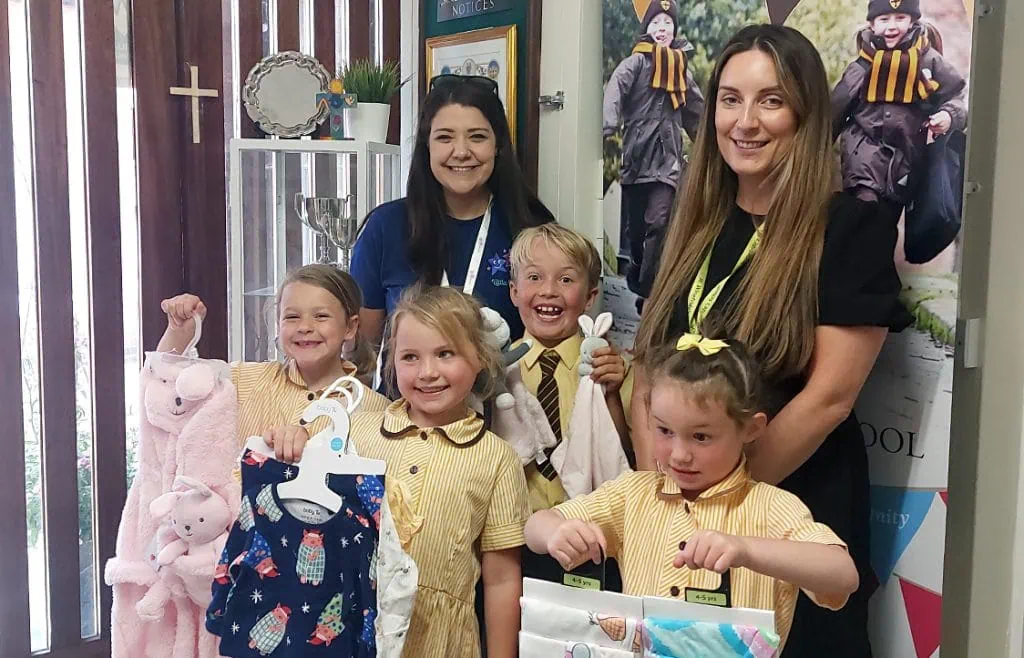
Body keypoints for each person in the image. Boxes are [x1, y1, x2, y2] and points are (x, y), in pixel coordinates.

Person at [630, 25, 910, 657]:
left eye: (771, 101)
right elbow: (651, 364)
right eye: (730, 99)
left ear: (805, 116)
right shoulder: (694, 219)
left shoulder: (848, 231)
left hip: (792, 509)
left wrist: (721, 496)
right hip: (686, 512)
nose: (745, 121)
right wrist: (669, 488)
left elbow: (828, 399)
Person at [525, 336, 859, 651]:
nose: (679, 454)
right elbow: (535, 527)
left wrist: (746, 549)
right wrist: (556, 531)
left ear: (751, 429)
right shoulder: (633, 494)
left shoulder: (772, 507)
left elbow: (842, 574)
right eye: (664, 431)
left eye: (701, 437)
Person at [347, 285, 530, 658]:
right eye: (410, 357)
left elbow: (501, 580)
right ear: (392, 362)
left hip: (441, 643)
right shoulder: (357, 432)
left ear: (480, 358)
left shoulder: (496, 458)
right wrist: (292, 436)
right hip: (353, 628)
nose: (428, 372)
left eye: (445, 354)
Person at [351, 73, 554, 377]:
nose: (461, 151)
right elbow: (362, 355)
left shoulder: (532, 228)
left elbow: (556, 339)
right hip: (404, 416)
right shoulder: (385, 227)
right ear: (427, 146)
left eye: (477, 137)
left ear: (498, 144)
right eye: (445, 137)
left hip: (505, 414)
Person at [505, 223, 632, 588]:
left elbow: (625, 456)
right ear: (514, 292)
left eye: (565, 280)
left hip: (592, 542)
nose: (548, 291)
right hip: (514, 543)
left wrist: (611, 394)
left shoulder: (616, 370)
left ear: (591, 296)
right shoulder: (494, 372)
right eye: (533, 277)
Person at [157, 264, 389, 462]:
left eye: (321, 316)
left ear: (350, 327)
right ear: (278, 324)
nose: (305, 327)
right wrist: (179, 332)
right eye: (292, 317)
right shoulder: (242, 380)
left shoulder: (376, 410)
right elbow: (166, 393)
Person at [831, 0, 967, 225]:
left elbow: (956, 96)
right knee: (864, 207)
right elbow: (836, 108)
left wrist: (949, 115)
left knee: (887, 221)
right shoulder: (864, 65)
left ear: (913, 20)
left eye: (900, 18)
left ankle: (875, 255)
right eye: (884, 20)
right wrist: (815, 146)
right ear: (872, 25)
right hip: (864, 151)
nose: (891, 27)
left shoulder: (928, 61)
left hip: (905, 157)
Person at [603, 0, 705, 299]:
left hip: (668, 160)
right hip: (637, 156)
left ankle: (650, 288)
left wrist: (711, 144)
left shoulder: (681, 71)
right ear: (647, 29)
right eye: (657, 23)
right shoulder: (636, 63)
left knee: (658, 223)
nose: (663, 29)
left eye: (668, 23)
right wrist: (608, 123)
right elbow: (615, 89)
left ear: (675, 30)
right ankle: (636, 265)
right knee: (636, 229)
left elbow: (696, 111)